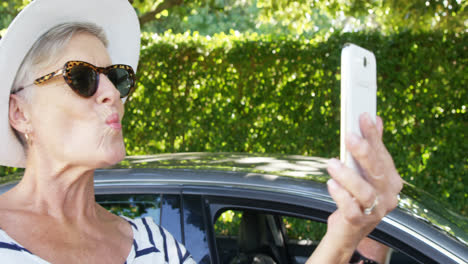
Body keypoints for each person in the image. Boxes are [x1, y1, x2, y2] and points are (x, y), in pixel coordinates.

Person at [0, 0, 403, 263]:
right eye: (82, 77)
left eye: (118, 78)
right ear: (20, 112)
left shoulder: (153, 246)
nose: (111, 94)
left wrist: (348, 232)